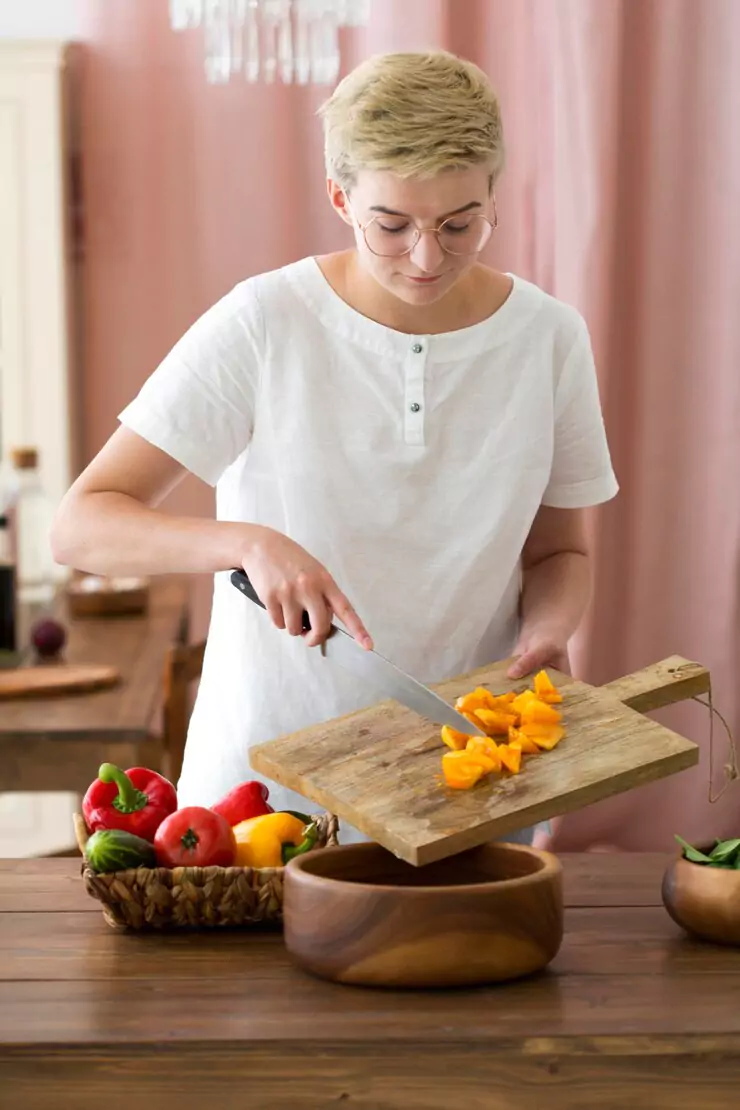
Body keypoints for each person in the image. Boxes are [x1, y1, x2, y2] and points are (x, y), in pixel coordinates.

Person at [51, 50, 618, 845]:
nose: (428, 257)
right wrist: (246, 542)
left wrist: (550, 633)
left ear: (494, 193)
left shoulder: (550, 338)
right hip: (259, 799)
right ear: (341, 198)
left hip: (467, 782)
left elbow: (562, 553)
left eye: (461, 224)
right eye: (393, 225)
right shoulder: (265, 321)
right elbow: (81, 525)